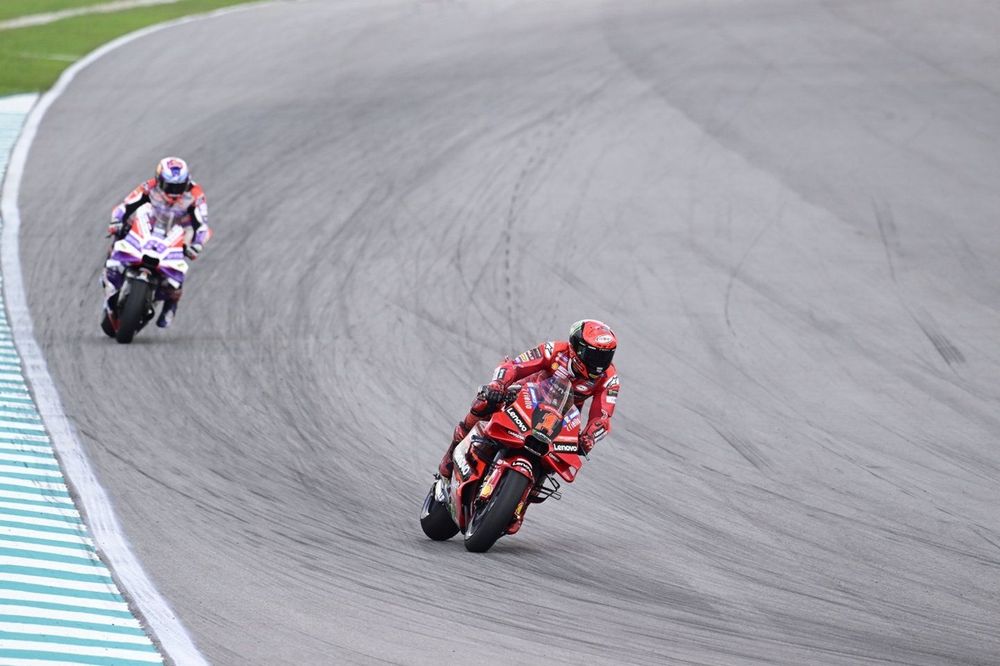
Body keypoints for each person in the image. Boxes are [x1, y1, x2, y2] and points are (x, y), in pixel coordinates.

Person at [438, 319, 619, 480]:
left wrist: (589, 437)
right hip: (527, 396)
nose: (599, 363)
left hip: (563, 416)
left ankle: (523, 497)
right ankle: (453, 450)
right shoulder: (554, 351)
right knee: (485, 401)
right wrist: (498, 384)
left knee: (558, 459)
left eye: (605, 356)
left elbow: (602, 417)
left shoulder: (609, 377)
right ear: (576, 348)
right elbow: (515, 366)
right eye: (594, 355)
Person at [102, 157, 211, 330]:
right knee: (117, 241)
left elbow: (202, 225)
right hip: (146, 226)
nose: (174, 192)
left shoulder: (196, 194)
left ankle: (171, 304)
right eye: (170, 186)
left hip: (175, 232)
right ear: (159, 180)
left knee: (179, 269)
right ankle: (110, 281)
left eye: (179, 187)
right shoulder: (148, 186)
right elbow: (126, 205)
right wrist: (116, 221)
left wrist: (197, 244)